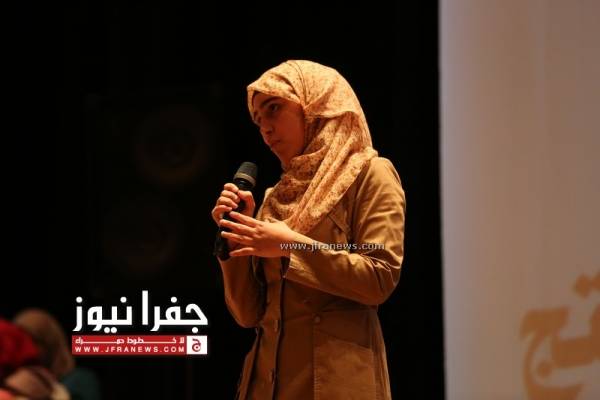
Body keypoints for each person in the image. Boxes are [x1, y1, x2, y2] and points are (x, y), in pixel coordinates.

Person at [211, 60, 406, 400]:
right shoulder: (274, 198)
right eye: (257, 120)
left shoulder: (369, 174)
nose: (265, 128)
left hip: (334, 385)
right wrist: (234, 237)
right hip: (266, 387)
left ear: (318, 105)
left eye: (274, 108)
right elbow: (248, 314)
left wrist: (292, 246)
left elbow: (379, 277)